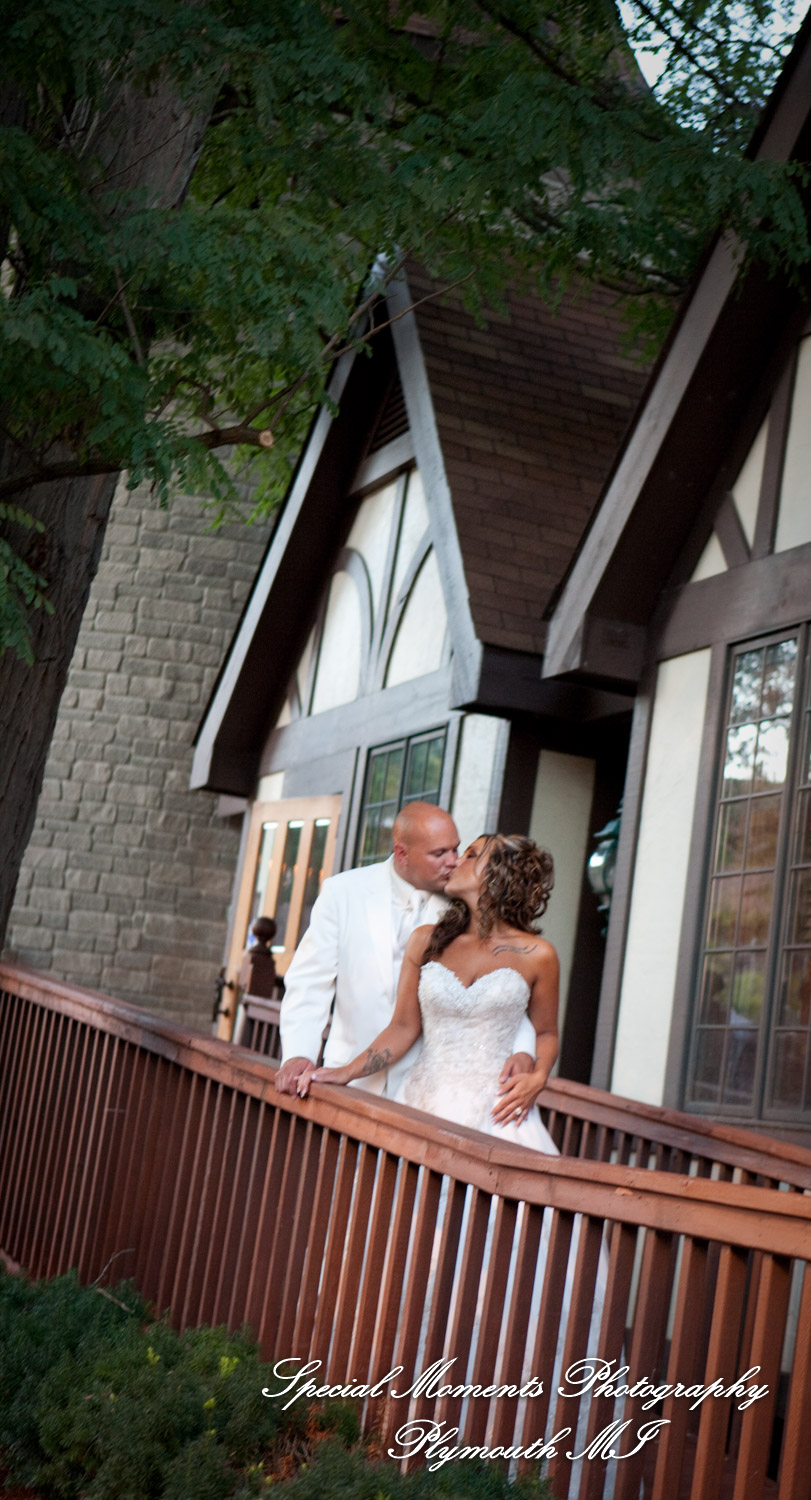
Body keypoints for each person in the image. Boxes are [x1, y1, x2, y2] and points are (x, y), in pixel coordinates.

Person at [299, 832, 560, 1150]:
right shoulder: (426, 940)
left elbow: (546, 1032)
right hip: (421, 1100)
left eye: (471, 855)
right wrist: (345, 1072)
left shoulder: (538, 954)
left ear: (502, 874)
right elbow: (403, 1027)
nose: (456, 862)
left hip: (497, 1112)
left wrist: (539, 1075)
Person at [274, 806, 537, 1101]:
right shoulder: (343, 892)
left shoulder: (469, 906)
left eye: (456, 849)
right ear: (402, 854)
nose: (453, 861)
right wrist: (298, 1053)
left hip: (427, 1090)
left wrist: (524, 1051)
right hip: (346, 1080)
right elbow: (309, 985)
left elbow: (505, 992)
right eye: (439, 854)